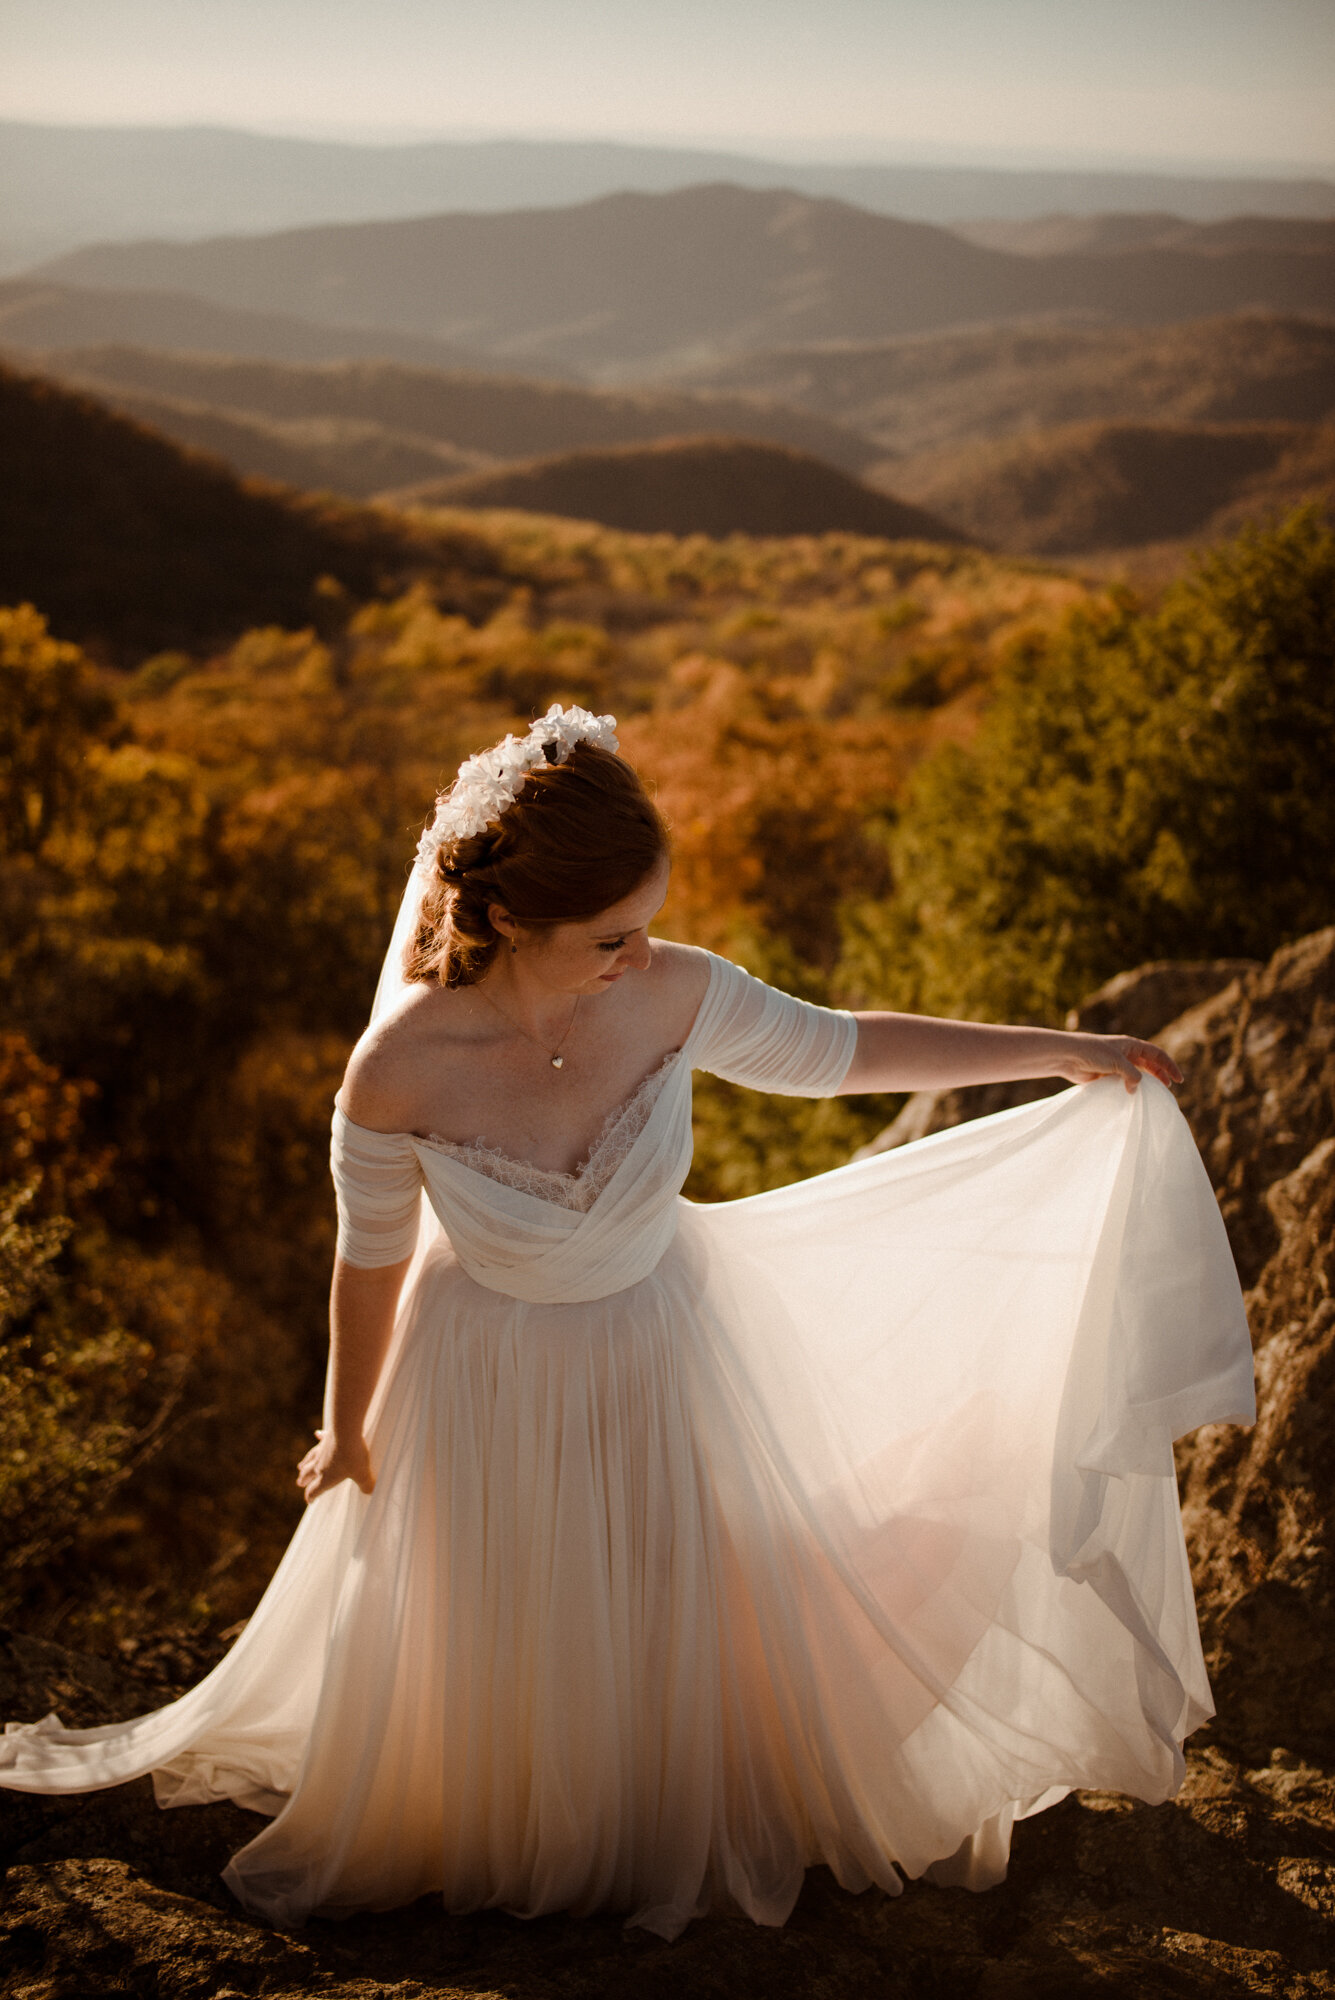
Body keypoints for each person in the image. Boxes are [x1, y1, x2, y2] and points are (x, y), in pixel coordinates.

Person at [0, 705, 1255, 1940]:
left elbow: (839, 1048)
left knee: (675, 1588)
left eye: (647, 925)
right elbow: (366, 1260)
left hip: (661, 1333)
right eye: (612, 935)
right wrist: (347, 1427)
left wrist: (1063, 1051)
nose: (641, 956)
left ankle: (655, 1804)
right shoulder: (398, 1067)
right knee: (511, 1615)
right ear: (498, 918)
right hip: (482, 1372)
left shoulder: (668, 993)